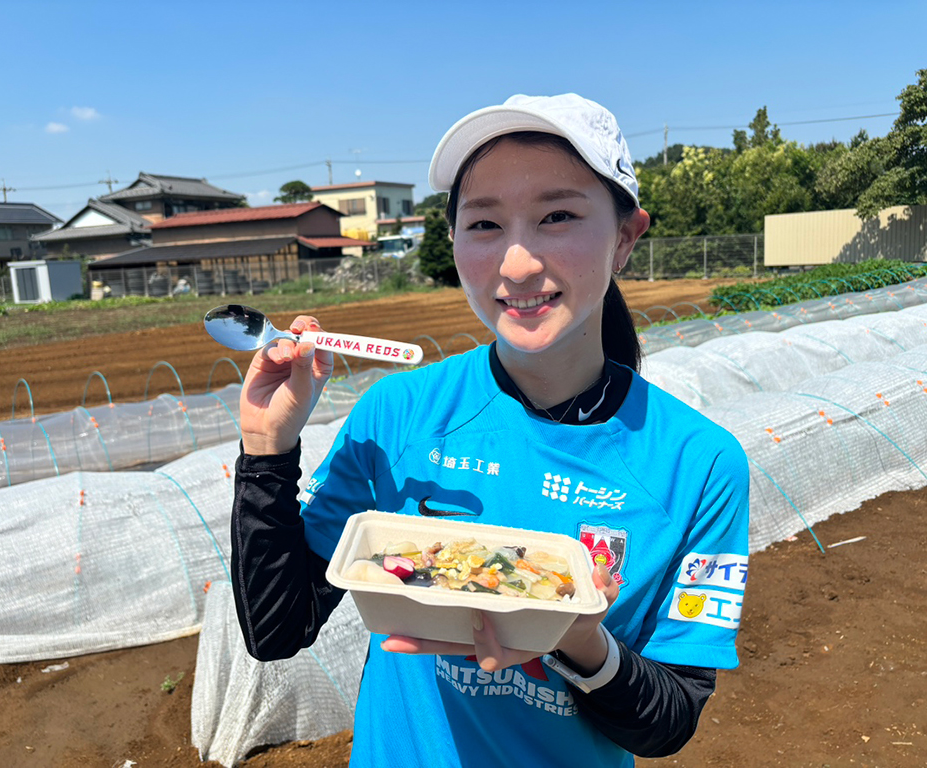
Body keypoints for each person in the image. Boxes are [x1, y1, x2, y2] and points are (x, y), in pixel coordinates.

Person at [231, 94, 750, 766]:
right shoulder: (399, 414)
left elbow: (670, 720)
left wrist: (582, 642)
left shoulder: (699, 464)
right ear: (453, 242)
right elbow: (279, 627)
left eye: (557, 216)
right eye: (484, 224)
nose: (517, 264)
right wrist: (267, 450)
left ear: (625, 236)